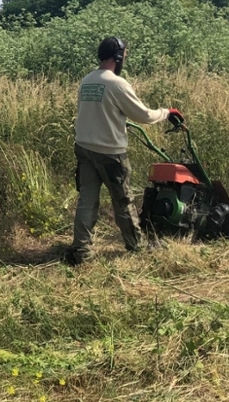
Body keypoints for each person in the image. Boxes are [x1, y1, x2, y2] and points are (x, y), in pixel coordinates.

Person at [65, 36, 182, 265]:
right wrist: (167, 112)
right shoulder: (117, 83)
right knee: (123, 201)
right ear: (117, 57)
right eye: (124, 56)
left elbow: (92, 111)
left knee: (87, 200)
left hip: (84, 148)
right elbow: (144, 115)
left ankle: (82, 251)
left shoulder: (87, 80)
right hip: (110, 154)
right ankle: (136, 245)